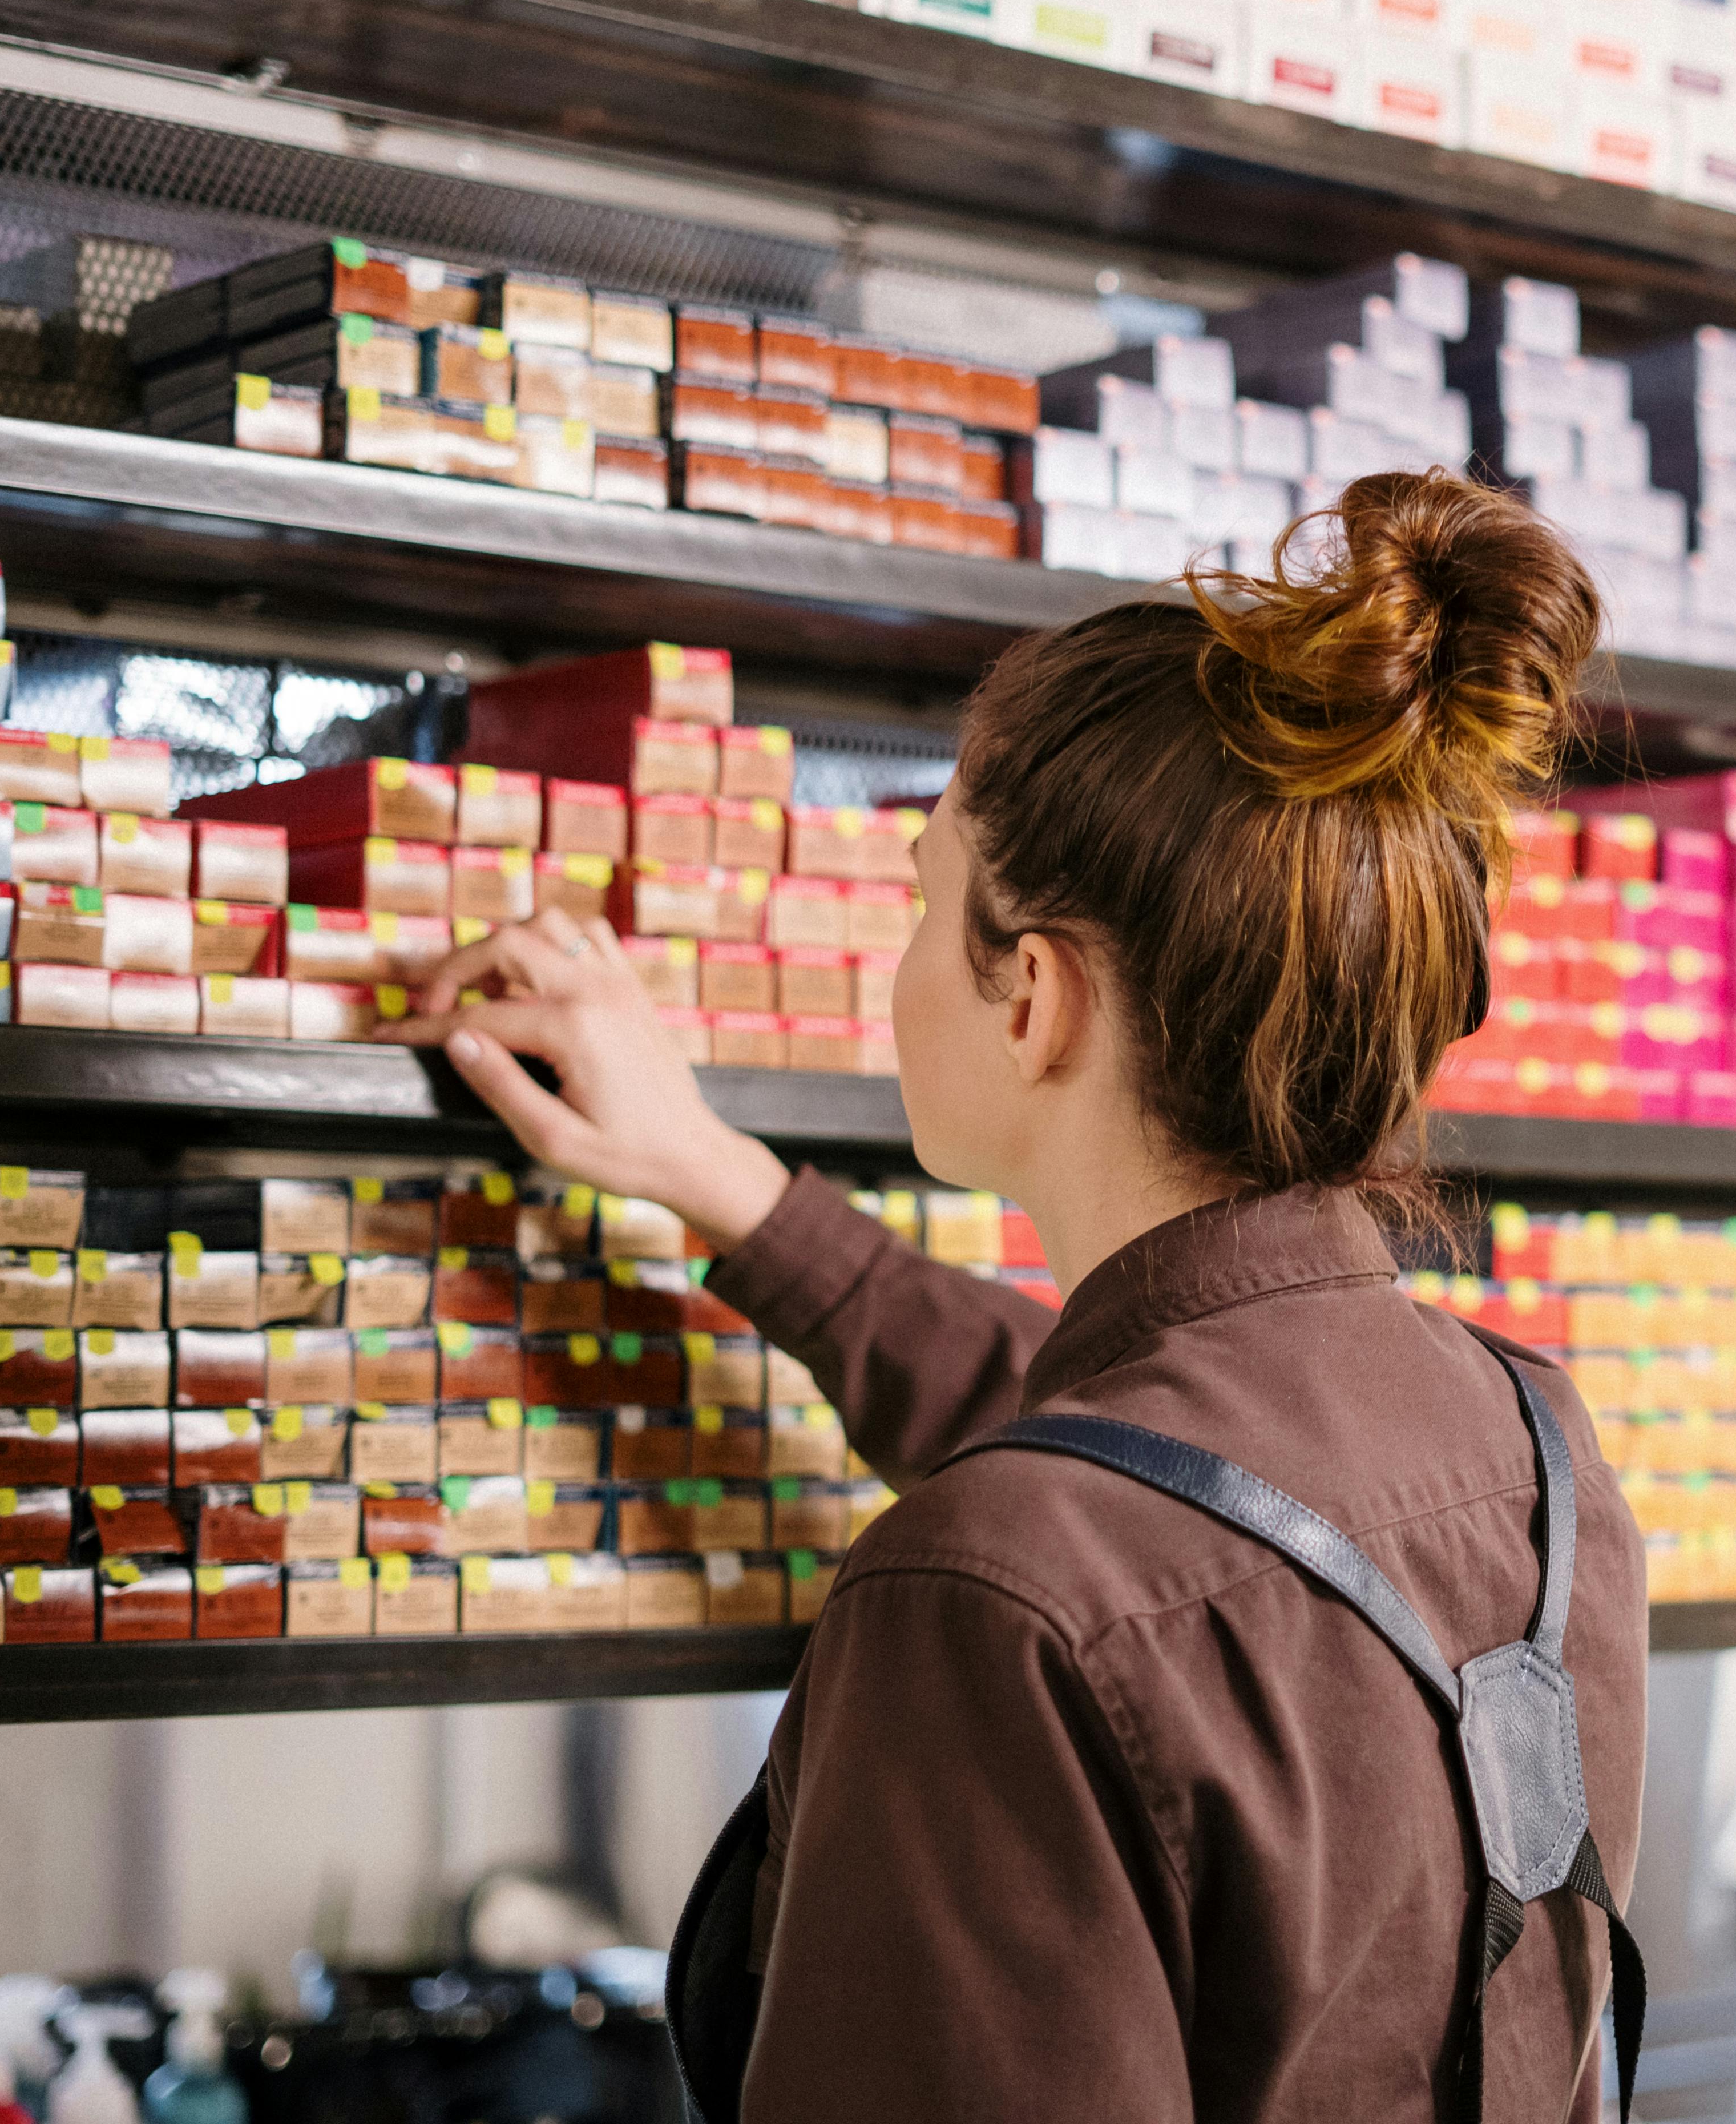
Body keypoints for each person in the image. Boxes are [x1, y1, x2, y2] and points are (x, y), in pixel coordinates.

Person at [382, 471, 1649, 2121]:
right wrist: (721, 1180)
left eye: (921, 899)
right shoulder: (1540, 1458)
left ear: (1034, 995)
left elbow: (1103, 1535)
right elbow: (1169, 1479)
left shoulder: (988, 1602)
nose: (902, 956)